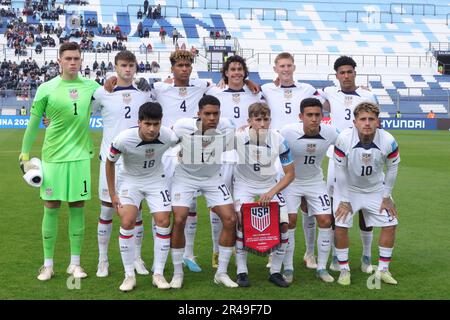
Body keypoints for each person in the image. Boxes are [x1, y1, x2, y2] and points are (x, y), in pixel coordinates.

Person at [19, 42, 100, 281]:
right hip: (53, 157)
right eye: (68, 59)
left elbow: (115, 102)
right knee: (51, 207)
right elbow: (34, 124)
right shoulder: (46, 88)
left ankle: (75, 264)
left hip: (80, 157)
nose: (73, 62)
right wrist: (24, 154)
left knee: (77, 208)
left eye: (76, 58)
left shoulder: (92, 87)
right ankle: (48, 265)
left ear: (81, 61)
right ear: (59, 61)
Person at [106, 102, 178, 291]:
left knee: (163, 221)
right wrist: (113, 194)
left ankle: (159, 274)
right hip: (131, 181)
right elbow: (109, 162)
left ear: (161, 122)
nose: (152, 129)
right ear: (139, 122)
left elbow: (185, 140)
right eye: (147, 124)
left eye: (156, 124)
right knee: (128, 221)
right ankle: (129, 275)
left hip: (156, 180)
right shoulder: (123, 139)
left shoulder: (169, 136)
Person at [261, 52, 323, 270]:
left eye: (289, 66)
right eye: (282, 66)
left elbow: (328, 103)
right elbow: (251, 97)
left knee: (309, 203)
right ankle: (274, 252)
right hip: (277, 150)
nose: (286, 69)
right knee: (278, 202)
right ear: (275, 68)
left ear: (294, 67)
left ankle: (309, 253)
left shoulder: (306, 89)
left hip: (302, 147)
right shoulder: (266, 89)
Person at [92, 50, 151, 278]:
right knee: (107, 209)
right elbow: (80, 112)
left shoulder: (144, 93)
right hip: (110, 162)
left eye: (131, 65)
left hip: (135, 162)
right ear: (115, 67)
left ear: (135, 67)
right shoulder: (102, 92)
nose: (127, 69)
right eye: (123, 65)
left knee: (136, 212)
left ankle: (137, 258)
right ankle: (102, 260)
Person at [170, 95, 238, 288]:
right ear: (198, 113)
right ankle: (177, 273)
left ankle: (221, 273)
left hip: (212, 178)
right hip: (185, 177)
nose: (212, 118)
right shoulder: (183, 126)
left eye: (215, 113)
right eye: (207, 113)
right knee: (180, 219)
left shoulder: (226, 127)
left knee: (230, 219)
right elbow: (168, 142)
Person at [320, 55, 379, 273]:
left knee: (367, 206)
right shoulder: (329, 92)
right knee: (338, 206)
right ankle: (337, 256)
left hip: (364, 156)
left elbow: (375, 123)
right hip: (337, 157)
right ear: (336, 76)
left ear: (355, 73)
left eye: (349, 72)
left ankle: (366, 256)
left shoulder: (368, 95)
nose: (346, 76)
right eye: (341, 72)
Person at [333, 102, 400, 286]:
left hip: (376, 189)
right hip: (349, 189)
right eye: (363, 119)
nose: (367, 123)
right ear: (355, 122)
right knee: (340, 223)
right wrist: (345, 200)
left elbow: (393, 169)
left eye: (371, 119)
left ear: (378, 122)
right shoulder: (344, 138)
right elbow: (339, 170)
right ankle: (344, 269)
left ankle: (383, 270)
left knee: (391, 222)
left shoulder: (388, 140)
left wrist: (386, 197)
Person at [206, 55, 263, 268]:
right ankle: (215, 250)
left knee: (240, 207)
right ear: (226, 73)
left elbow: (264, 117)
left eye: (240, 69)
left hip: (247, 157)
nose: (237, 72)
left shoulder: (256, 92)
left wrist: (249, 83)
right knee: (217, 205)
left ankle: (241, 253)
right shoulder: (215, 92)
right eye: (233, 69)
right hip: (222, 155)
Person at [234, 102, 295, 288]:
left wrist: (271, 192)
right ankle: (241, 271)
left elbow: (290, 173)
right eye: (257, 119)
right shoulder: (238, 137)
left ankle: (275, 271)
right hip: (244, 185)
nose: (262, 123)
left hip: (269, 186)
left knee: (284, 224)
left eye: (266, 119)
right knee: (242, 222)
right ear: (249, 121)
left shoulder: (279, 140)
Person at [280, 98, 338, 284]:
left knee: (326, 219)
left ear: (322, 116)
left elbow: (348, 140)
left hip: (315, 182)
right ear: (301, 117)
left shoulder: (330, 132)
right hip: (291, 182)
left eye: (317, 115)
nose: (314, 119)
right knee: (290, 220)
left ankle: (321, 267)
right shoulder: (287, 132)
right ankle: (288, 268)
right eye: (309, 115)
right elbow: (270, 143)